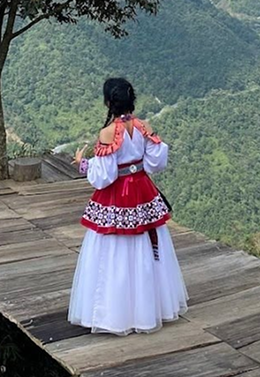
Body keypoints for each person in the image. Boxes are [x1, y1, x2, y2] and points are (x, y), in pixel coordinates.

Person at [67, 78, 188, 335]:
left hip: (117, 195)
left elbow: (104, 176)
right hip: (142, 190)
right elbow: (156, 161)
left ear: (108, 101)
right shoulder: (143, 126)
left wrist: (83, 163)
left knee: (114, 251)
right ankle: (148, 308)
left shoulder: (108, 132)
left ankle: (117, 313)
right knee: (145, 246)